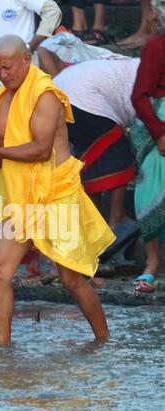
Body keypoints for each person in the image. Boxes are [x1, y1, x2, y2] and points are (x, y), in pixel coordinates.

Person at [0, 34, 115, 345]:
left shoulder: (46, 95)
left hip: (55, 195)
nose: (3, 75)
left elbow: (39, 150)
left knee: (71, 278)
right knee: (0, 272)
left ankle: (103, 341)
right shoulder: (0, 99)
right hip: (20, 196)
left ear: (26, 60)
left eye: (8, 68)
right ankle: (3, 350)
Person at [53, 57, 139, 228]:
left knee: (88, 156)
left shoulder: (137, 64)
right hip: (82, 99)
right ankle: (117, 219)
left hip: (62, 93)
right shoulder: (149, 70)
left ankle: (94, 223)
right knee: (115, 147)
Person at [131, 0, 165, 289]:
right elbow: (139, 96)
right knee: (150, 193)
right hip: (158, 124)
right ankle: (152, 262)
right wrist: (159, 132)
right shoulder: (156, 46)